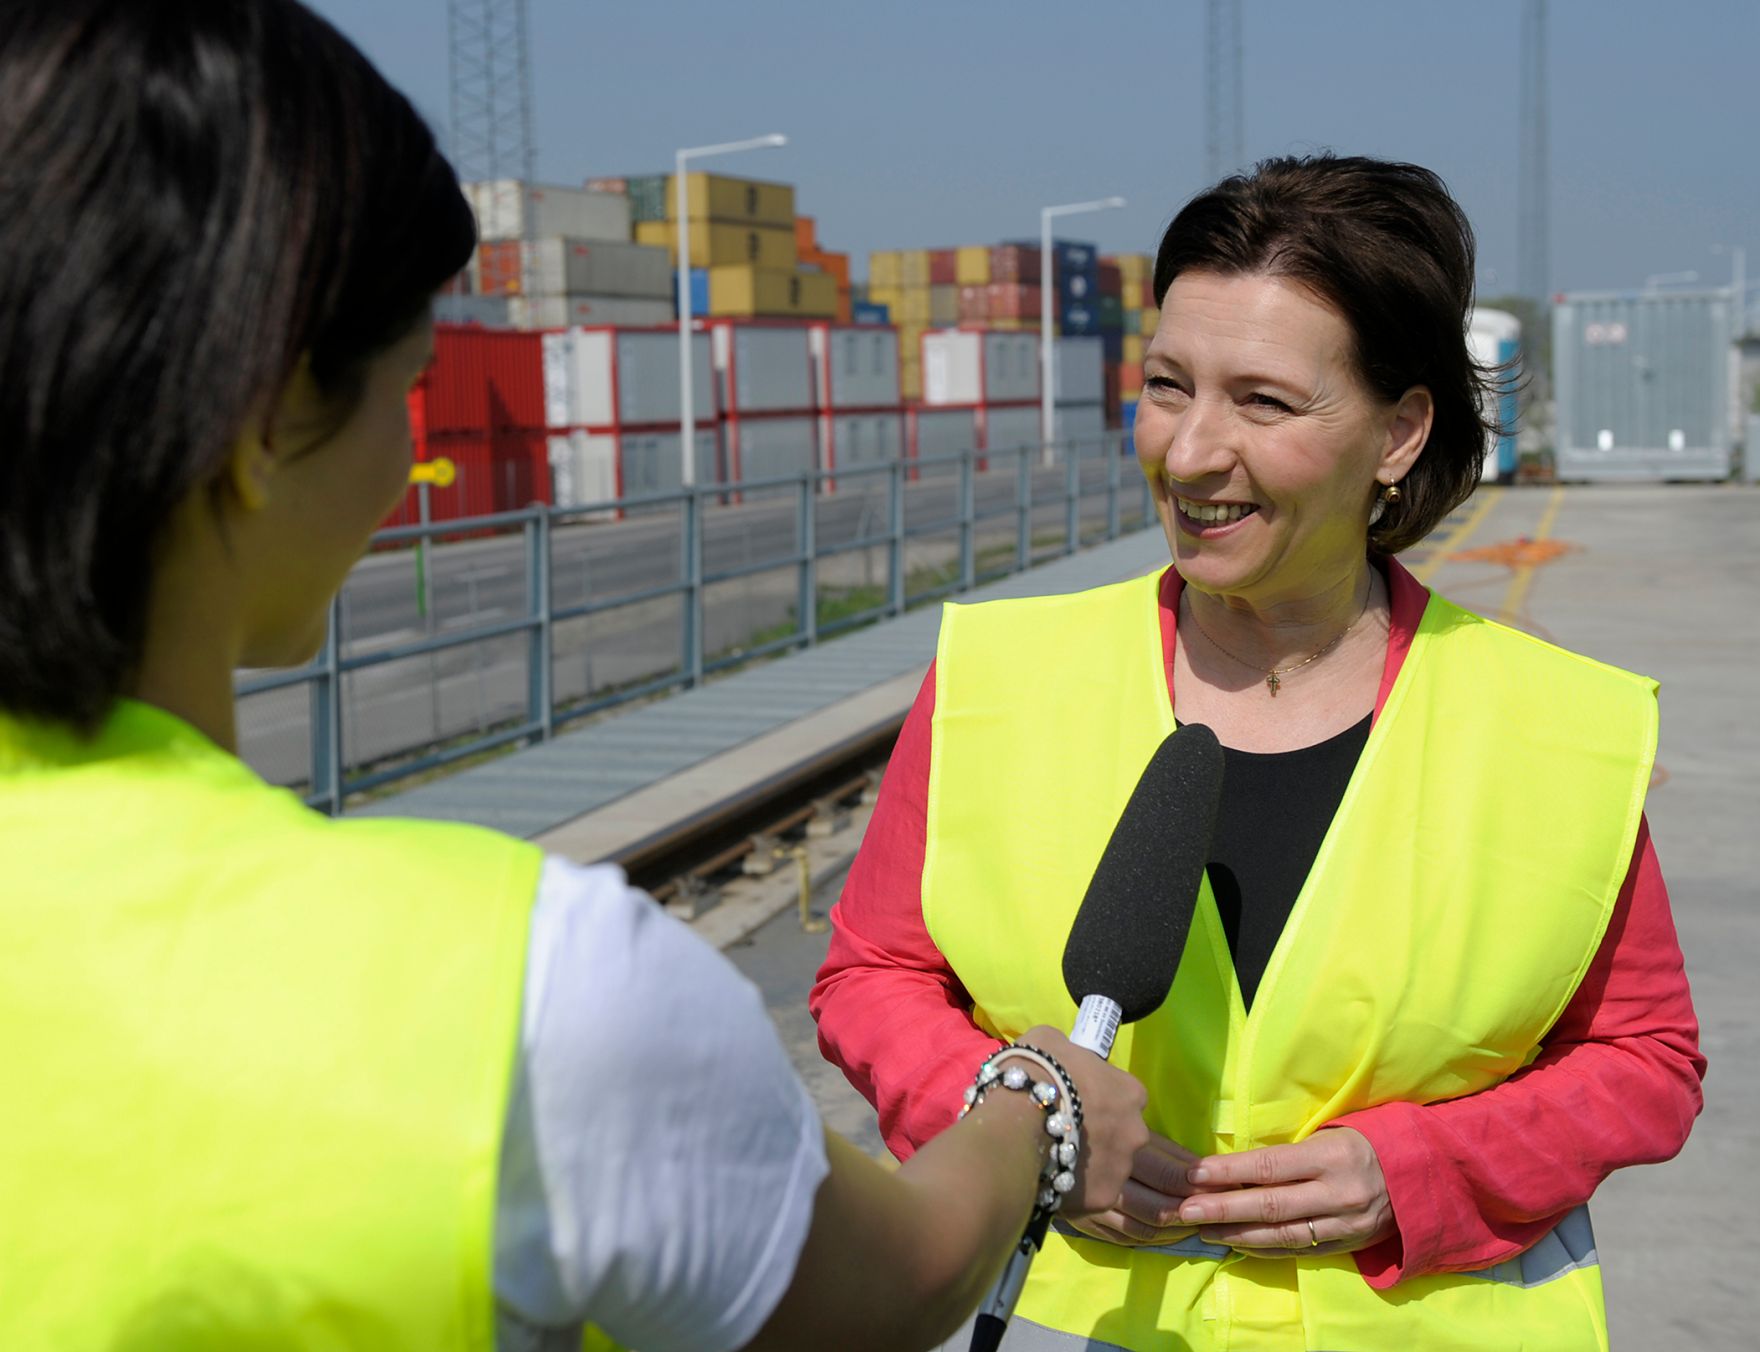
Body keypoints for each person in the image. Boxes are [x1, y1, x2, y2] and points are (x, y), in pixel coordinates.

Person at [0, 4, 1156, 1349]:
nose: (405, 456)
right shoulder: (523, 998)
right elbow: (899, 1285)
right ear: (264, 419)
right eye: (410, 384)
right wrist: (1038, 1102)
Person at [812, 155, 1705, 1351]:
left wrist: (1420, 1168)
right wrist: (1018, 1118)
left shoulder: (1553, 727)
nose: (1188, 453)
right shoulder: (993, 678)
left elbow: (1644, 1056)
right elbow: (870, 975)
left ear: (1398, 430)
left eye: (1263, 403)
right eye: (1166, 386)